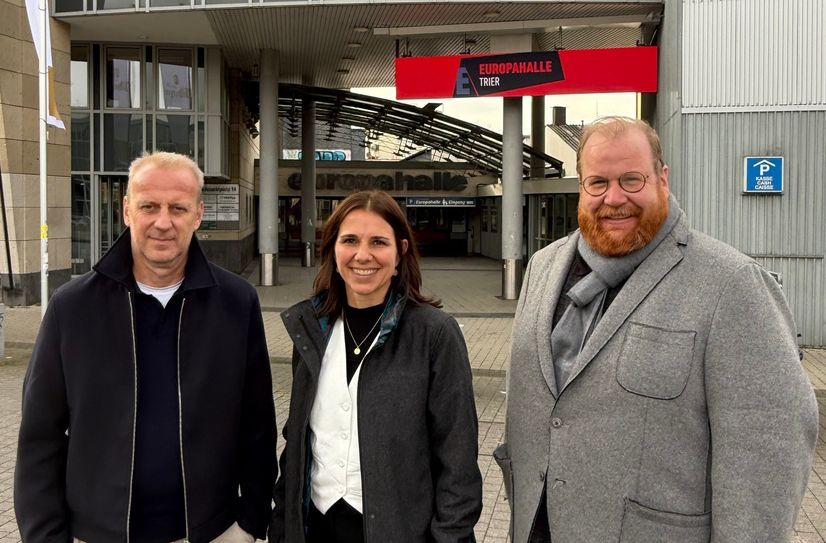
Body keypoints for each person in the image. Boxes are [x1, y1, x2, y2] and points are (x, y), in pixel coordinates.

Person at [495, 116, 818, 542]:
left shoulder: (732, 284)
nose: (614, 198)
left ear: (662, 178)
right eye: (598, 182)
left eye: (632, 180)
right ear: (581, 186)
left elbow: (767, 459)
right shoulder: (544, 266)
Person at [15, 152, 277, 542]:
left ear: (198, 214)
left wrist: (250, 523)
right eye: (149, 206)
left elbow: (258, 426)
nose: (163, 222)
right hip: (96, 534)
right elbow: (40, 436)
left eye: (178, 208)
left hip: (211, 533)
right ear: (126, 210)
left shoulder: (237, 303)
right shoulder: (72, 307)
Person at [269, 190, 482, 543]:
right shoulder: (312, 327)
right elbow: (298, 440)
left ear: (400, 252)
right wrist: (281, 524)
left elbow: (457, 459)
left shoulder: (434, 334)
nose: (362, 255)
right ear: (333, 250)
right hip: (316, 527)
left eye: (378, 242)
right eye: (349, 240)